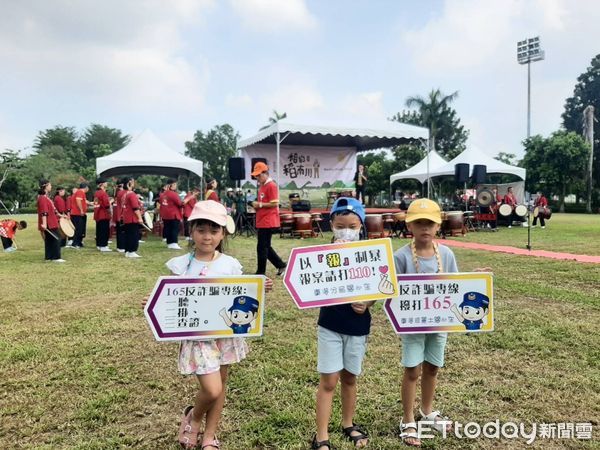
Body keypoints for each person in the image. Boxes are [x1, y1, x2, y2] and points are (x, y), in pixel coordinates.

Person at [143, 200, 272, 449]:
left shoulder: (231, 265)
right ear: (191, 231)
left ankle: (210, 435)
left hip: (225, 335)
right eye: (201, 230)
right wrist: (152, 303)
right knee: (212, 389)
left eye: (214, 231)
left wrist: (260, 286)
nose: (207, 237)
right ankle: (194, 417)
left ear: (223, 233)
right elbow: (169, 297)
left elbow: (241, 294)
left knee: (221, 387)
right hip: (197, 336)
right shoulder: (180, 265)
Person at [394, 199, 458, 447]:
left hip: (439, 323)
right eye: (419, 223)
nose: (425, 228)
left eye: (429, 223)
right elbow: (394, 292)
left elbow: (455, 286)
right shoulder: (401, 256)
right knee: (412, 370)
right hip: (413, 325)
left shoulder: (446, 254)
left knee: (432, 367)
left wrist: (477, 277)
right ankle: (407, 419)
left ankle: (427, 411)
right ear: (410, 225)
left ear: (438, 226)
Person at [312, 197, 372, 450]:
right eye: (340, 226)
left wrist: (368, 303)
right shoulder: (321, 255)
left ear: (361, 226)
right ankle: (321, 436)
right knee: (328, 381)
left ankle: (348, 423)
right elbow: (311, 284)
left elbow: (383, 287)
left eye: (352, 225)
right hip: (330, 324)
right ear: (331, 226)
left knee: (350, 378)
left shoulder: (371, 253)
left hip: (358, 326)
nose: (346, 231)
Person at [251, 162, 286, 276]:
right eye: (256, 176)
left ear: (265, 173)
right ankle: (281, 265)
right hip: (262, 220)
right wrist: (256, 206)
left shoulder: (271, 185)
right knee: (265, 247)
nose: (257, 178)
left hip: (268, 221)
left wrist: (259, 205)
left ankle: (261, 272)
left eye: (259, 175)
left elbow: (275, 203)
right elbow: (264, 202)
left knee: (262, 247)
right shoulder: (262, 186)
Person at [37, 179, 65, 263]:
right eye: (50, 185)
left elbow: (52, 209)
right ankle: (56, 257)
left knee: (49, 240)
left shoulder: (46, 197)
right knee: (57, 238)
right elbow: (44, 212)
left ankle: (48, 257)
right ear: (45, 186)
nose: (51, 186)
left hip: (51, 221)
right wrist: (45, 224)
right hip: (49, 222)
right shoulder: (42, 198)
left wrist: (60, 215)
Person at [121, 177, 143, 258]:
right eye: (133, 182)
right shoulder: (131, 194)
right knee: (133, 235)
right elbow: (135, 208)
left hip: (127, 218)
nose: (134, 184)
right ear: (129, 183)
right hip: (132, 218)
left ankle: (127, 250)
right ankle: (132, 251)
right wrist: (140, 218)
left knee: (128, 235)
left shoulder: (125, 194)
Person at [161, 178, 184, 250]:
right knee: (174, 229)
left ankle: (169, 243)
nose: (175, 186)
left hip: (165, 214)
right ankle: (174, 242)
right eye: (175, 184)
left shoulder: (163, 194)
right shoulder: (173, 194)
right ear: (171, 185)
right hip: (173, 214)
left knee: (168, 228)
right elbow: (180, 204)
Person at [93, 178, 112, 252]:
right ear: (102, 184)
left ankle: (99, 244)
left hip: (98, 214)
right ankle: (103, 245)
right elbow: (106, 205)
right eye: (105, 182)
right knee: (104, 230)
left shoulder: (97, 192)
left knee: (99, 230)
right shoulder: (103, 193)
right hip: (103, 214)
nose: (106, 183)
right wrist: (109, 212)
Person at [71, 183, 90, 248]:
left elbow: (84, 201)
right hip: (77, 214)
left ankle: (79, 242)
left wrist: (90, 203)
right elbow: (78, 200)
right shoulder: (80, 192)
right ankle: (75, 243)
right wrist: (81, 210)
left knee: (81, 229)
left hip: (79, 214)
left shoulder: (81, 193)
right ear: (86, 187)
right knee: (78, 229)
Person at [113, 179, 126, 253]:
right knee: (122, 231)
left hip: (118, 214)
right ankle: (121, 246)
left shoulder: (118, 192)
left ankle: (120, 246)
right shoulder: (121, 193)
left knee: (119, 231)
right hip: (121, 214)